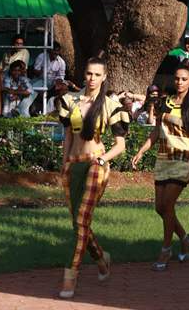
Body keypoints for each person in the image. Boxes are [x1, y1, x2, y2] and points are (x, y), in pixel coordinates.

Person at [57, 56, 130, 298]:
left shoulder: (110, 104)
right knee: (79, 223)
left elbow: (120, 145)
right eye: (89, 73)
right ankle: (101, 259)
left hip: (96, 164)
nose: (92, 78)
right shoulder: (70, 100)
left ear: (104, 77)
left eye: (97, 74)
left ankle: (71, 276)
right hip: (74, 165)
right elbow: (68, 135)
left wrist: (103, 159)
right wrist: (64, 164)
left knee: (80, 221)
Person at [131, 59, 189, 271]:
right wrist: (142, 150)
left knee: (167, 205)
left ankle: (166, 249)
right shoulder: (165, 103)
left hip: (183, 161)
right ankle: (185, 238)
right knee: (160, 208)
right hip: (163, 159)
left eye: (184, 79)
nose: (179, 82)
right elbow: (156, 132)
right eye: (177, 79)